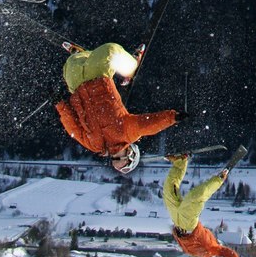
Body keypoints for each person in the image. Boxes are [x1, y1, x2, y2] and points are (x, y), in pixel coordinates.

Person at [54, 41, 184, 173]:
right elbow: (149, 124)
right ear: (130, 156)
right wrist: (173, 117)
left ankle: (81, 55)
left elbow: (73, 127)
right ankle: (131, 67)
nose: (118, 167)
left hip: (77, 86)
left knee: (71, 64)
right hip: (97, 77)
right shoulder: (126, 133)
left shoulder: (95, 146)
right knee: (110, 50)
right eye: (124, 166)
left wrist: (60, 104)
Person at [164, 154, 244, 257]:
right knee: (195, 197)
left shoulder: (202, 251)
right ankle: (219, 179)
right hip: (189, 224)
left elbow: (229, 253)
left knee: (168, 190)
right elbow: (229, 254)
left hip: (177, 221)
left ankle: (180, 161)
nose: (204, 256)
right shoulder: (211, 248)